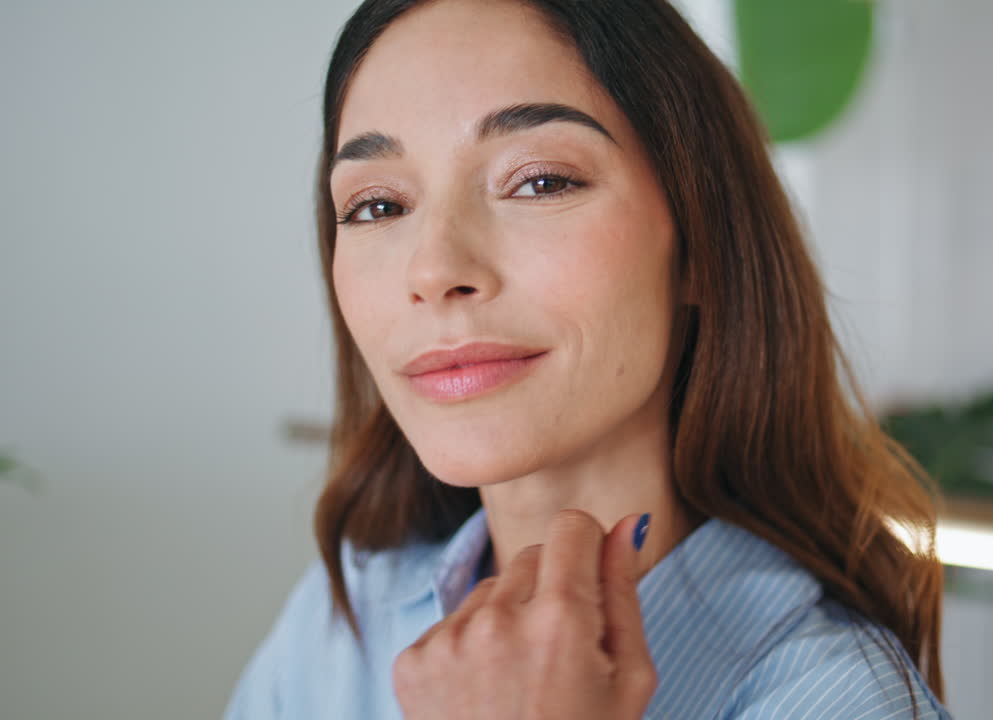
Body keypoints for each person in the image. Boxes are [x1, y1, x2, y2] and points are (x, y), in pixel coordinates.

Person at [225, 0, 952, 717]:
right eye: (378, 206)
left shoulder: (841, 700)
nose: (434, 268)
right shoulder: (345, 612)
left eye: (540, 181)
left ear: (701, 244)